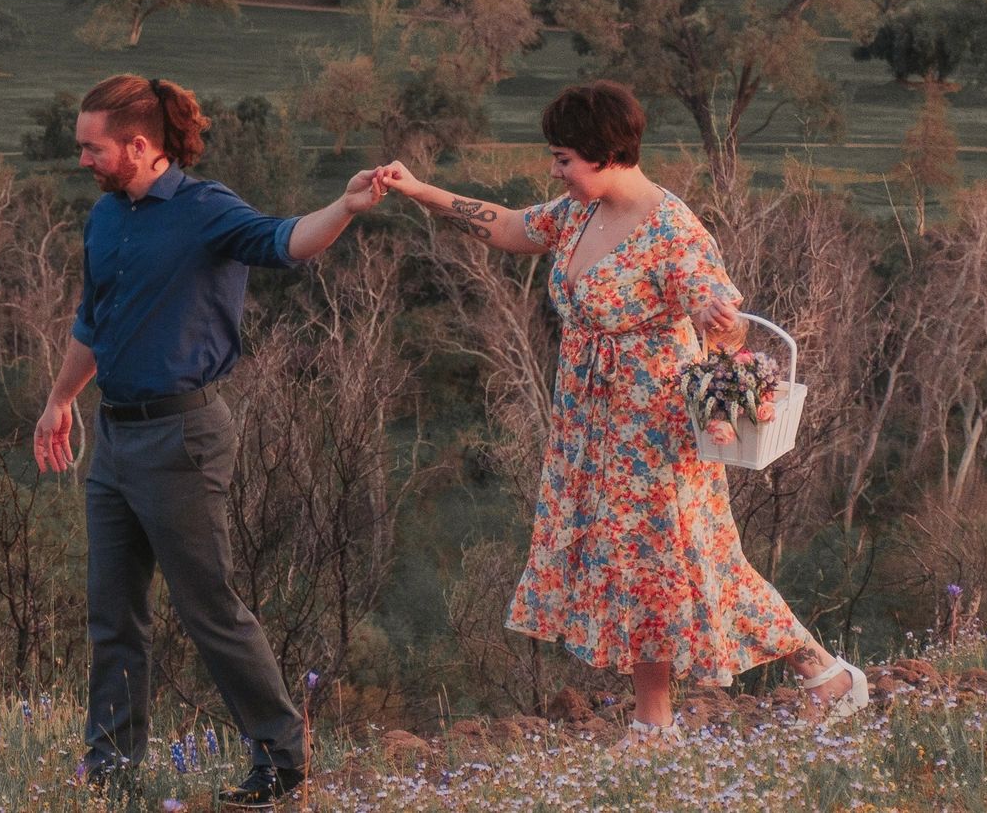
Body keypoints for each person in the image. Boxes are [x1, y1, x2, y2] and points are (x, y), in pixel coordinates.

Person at [371, 79, 869, 744]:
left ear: (606, 153)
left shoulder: (672, 229)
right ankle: (826, 676)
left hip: (655, 430)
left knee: (660, 571)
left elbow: (723, 324)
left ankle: (657, 725)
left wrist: (717, 324)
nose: (556, 171)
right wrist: (417, 190)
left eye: (564, 159)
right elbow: (514, 227)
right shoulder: (579, 211)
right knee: (676, 565)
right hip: (589, 423)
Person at [33, 74, 385, 805]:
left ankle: (282, 760)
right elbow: (92, 323)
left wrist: (345, 208)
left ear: (139, 145)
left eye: (92, 148)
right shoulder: (106, 217)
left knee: (209, 609)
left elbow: (286, 242)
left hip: (182, 436)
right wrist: (60, 399)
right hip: (115, 438)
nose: (83, 160)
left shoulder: (205, 209)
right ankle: (111, 772)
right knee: (112, 614)